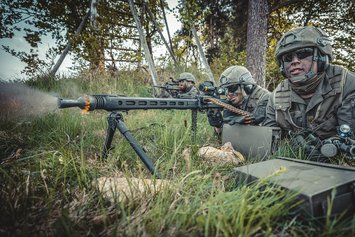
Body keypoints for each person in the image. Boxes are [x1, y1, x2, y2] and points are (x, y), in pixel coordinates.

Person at [263, 26, 355, 159]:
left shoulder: (347, 85)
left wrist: (332, 148)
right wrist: (288, 147)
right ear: (283, 67)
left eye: (303, 53)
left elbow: (350, 137)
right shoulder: (276, 97)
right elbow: (268, 142)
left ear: (322, 58)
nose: (295, 61)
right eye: (288, 58)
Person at [207, 65, 270, 135]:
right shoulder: (232, 103)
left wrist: (239, 119)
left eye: (232, 88)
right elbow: (225, 137)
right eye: (226, 90)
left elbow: (256, 120)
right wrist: (218, 126)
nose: (229, 94)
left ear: (246, 86)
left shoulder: (264, 97)